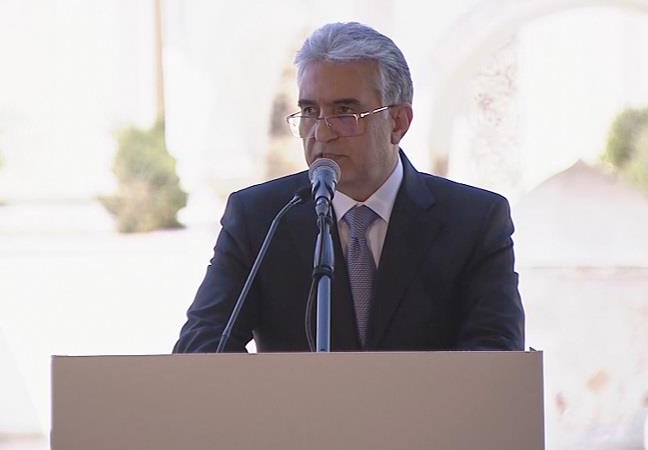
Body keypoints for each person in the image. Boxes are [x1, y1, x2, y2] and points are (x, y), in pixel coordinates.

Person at [173, 22, 524, 353]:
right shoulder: (261, 218)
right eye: (310, 111)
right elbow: (201, 348)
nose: (321, 133)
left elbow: (495, 357)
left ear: (398, 123)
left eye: (344, 112)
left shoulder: (474, 221)